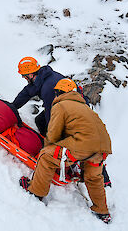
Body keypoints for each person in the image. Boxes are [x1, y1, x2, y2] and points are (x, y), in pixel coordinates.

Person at [19, 78, 112, 224]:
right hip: (102, 148)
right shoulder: (84, 107)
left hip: (83, 145)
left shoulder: (61, 105)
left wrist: (48, 148)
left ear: (58, 92)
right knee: (94, 178)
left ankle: (36, 191)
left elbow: (53, 134)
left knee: (46, 156)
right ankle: (102, 211)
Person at [12, 57, 64, 136]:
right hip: (58, 106)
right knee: (40, 120)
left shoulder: (48, 88)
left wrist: (52, 134)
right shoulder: (42, 77)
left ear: (31, 74)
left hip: (69, 110)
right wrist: (13, 106)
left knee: (49, 125)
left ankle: (52, 143)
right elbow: (28, 92)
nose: (23, 77)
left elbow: (50, 112)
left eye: (24, 75)